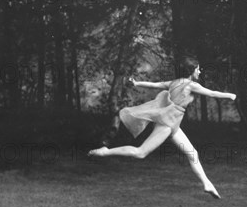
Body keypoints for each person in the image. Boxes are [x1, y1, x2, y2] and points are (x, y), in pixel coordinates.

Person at [88, 58, 236, 199]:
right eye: (198, 69)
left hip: (173, 124)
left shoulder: (174, 82)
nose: (199, 72)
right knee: (140, 153)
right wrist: (230, 95)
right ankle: (105, 152)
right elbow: (211, 93)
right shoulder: (191, 85)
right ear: (191, 71)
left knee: (192, 153)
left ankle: (207, 184)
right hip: (167, 125)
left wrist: (137, 83)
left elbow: (155, 85)